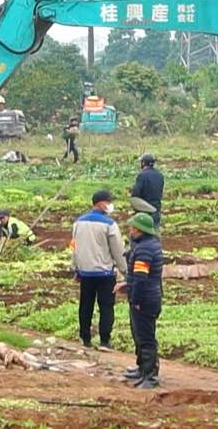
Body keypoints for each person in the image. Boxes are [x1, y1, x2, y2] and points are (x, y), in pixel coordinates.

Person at [71, 190, 127, 350]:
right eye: (109, 202)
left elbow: (74, 247)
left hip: (85, 273)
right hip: (105, 273)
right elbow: (118, 250)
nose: (110, 205)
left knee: (85, 305)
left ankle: (85, 339)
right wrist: (125, 271)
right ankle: (104, 340)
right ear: (100, 204)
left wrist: (76, 268)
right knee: (106, 306)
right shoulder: (110, 225)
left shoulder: (78, 223)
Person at [118, 212, 163, 389]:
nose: (130, 230)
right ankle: (142, 368)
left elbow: (141, 277)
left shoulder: (144, 249)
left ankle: (150, 376)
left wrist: (135, 299)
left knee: (146, 338)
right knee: (139, 335)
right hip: (148, 296)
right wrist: (126, 284)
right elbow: (137, 276)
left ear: (139, 229)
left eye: (132, 227)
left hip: (145, 299)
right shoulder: (149, 245)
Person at [130, 153, 165, 229]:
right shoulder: (160, 175)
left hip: (145, 211)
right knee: (155, 233)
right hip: (156, 209)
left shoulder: (142, 175)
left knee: (142, 234)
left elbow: (135, 194)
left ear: (143, 163)